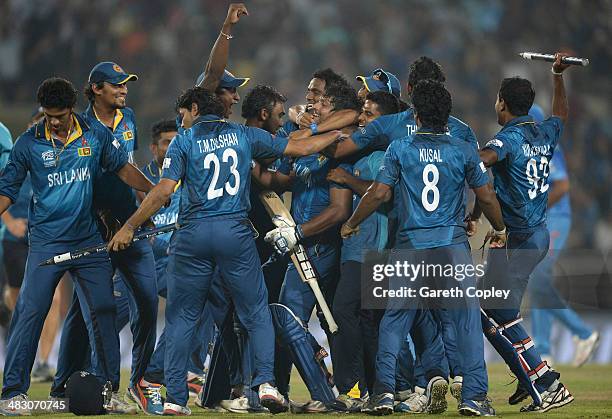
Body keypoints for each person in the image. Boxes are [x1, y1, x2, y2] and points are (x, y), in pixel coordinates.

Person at [107, 87, 346, 415]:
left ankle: (176, 399)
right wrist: (336, 135)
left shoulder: (185, 141)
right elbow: (300, 146)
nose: (182, 121)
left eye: (183, 115)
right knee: (256, 311)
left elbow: (164, 191)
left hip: (193, 235)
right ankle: (265, 383)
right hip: (234, 232)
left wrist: (130, 225)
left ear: (194, 109)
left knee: (182, 318)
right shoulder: (244, 134)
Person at [341, 80, 505, 416]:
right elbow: (486, 195)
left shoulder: (400, 148)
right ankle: (474, 397)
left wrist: (352, 221)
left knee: (395, 321)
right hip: (451, 247)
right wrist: (500, 227)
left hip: (411, 246)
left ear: (415, 114)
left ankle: (384, 393)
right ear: (447, 116)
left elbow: (379, 193)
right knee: (466, 322)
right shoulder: (462, 150)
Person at [0, 77, 154, 415]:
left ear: (72, 109)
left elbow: (124, 170)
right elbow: (8, 189)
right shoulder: (28, 143)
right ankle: (13, 392)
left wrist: (156, 192)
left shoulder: (96, 136)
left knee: (103, 310)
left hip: (87, 241)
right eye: (48, 115)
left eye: (60, 115)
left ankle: (107, 389)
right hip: (46, 244)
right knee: (30, 311)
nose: (54, 122)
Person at [49, 61, 156, 415]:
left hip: (130, 226)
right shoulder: (77, 127)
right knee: (88, 310)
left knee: (147, 301)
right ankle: (71, 382)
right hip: (92, 230)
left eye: (126, 83)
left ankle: (140, 382)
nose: (124, 89)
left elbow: (128, 166)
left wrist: (148, 203)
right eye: (116, 84)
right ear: (96, 88)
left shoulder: (128, 119)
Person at [473, 52, 574, 413]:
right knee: (486, 312)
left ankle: (547, 383)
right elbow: (561, 115)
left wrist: (455, 155)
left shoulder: (507, 139)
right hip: (528, 236)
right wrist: (557, 76)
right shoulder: (544, 130)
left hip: (524, 238)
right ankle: (524, 376)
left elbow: (482, 160)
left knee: (498, 308)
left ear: (501, 103)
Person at [263, 82, 361, 413]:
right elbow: (282, 179)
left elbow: (339, 210)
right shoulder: (309, 144)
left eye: (323, 103)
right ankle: (340, 388)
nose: (314, 107)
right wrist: (253, 170)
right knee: (317, 319)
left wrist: (298, 233)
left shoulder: (341, 150)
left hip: (318, 247)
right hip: (302, 245)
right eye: (315, 101)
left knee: (287, 316)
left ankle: (329, 393)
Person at [325, 90, 400, 411]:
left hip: (373, 251)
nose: (362, 120)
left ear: (385, 121)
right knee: (369, 322)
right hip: (358, 251)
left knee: (344, 310)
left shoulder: (386, 156)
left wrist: (345, 179)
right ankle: (376, 390)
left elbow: (383, 195)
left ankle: (355, 385)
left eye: (369, 114)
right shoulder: (362, 156)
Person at [527, 104, 599, 370]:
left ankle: (582, 333)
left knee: (539, 280)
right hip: (544, 220)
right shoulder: (533, 147)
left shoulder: (548, 145)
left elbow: (563, 185)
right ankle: (544, 349)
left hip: (556, 219)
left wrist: (537, 208)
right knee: (538, 281)